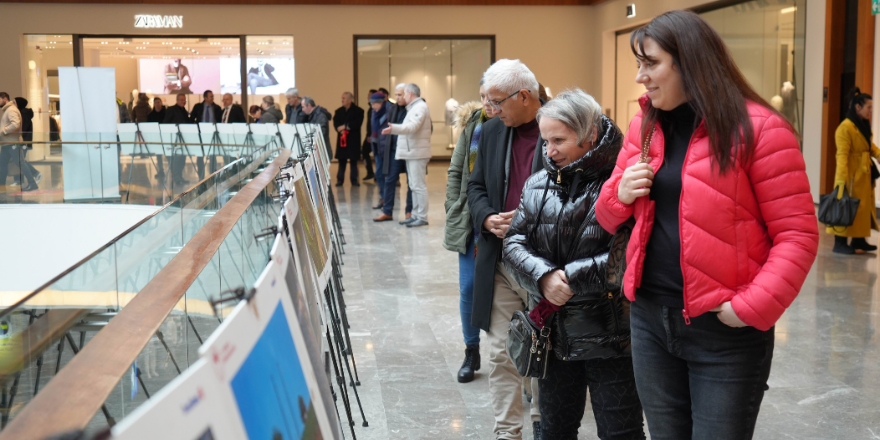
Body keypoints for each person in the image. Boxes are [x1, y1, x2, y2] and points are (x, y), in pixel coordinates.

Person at [596, 11, 819, 440]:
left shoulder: (759, 129)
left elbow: (797, 234)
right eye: (638, 64)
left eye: (650, 63)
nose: (640, 76)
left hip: (725, 331)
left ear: (689, 61)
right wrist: (619, 193)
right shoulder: (644, 126)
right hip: (649, 320)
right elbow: (608, 218)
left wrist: (748, 309)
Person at [503, 89, 645, 440]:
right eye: (545, 141)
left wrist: (567, 278)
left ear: (590, 135)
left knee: (620, 431)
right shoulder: (538, 184)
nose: (548, 151)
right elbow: (514, 243)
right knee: (554, 430)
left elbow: (628, 253)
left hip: (612, 336)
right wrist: (543, 275)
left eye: (558, 140)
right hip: (554, 334)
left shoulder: (620, 182)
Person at [466, 59, 544, 440]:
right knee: (500, 354)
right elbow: (475, 186)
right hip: (499, 260)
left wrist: (525, 220)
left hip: (543, 265)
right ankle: (507, 433)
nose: (491, 109)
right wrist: (486, 218)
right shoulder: (492, 130)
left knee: (543, 354)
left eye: (498, 101)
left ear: (524, 96)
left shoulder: (560, 131)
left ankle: (543, 425)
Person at [443, 79, 498, 381]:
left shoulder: (514, 128)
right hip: (471, 220)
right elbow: (456, 169)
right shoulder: (472, 126)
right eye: (482, 97)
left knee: (510, 291)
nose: (488, 103)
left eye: (494, 98)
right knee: (469, 288)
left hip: (502, 219)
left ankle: (519, 362)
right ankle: (471, 350)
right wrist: (453, 205)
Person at [829, 87, 880, 254]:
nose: (871, 111)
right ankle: (840, 243)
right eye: (869, 107)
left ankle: (859, 240)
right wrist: (841, 182)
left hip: (863, 174)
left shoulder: (862, 125)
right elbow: (841, 156)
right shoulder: (845, 127)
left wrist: (878, 155)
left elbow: (868, 146)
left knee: (862, 208)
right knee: (845, 206)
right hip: (851, 175)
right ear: (858, 107)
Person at [382, 83, 432, 227]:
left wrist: (393, 129)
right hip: (412, 152)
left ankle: (421, 216)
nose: (402, 97)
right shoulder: (413, 108)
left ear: (409, 93)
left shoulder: (420, 107)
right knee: (414, 185)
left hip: (417, 153)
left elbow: (412, 127)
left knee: (418, 186)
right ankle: (415, 214)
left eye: (403, 94)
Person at [373, 84, 414, 222]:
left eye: (400, 95)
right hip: (394, 151)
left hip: (409, 151)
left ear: (408, 94)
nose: (397, 97)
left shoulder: (413, 109)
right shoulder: (392, 109)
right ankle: (387, 211)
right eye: (396, 95)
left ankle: (409, 211)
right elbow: (386, 131)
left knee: (411, 182)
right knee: (390, 180)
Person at [333, 92, 365, 186]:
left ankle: (354, 180)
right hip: (342, 139)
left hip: (353, 139)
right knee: (341, 160)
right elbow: (336, 122)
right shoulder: (338, 111)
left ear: (350, 100)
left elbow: (357, 123)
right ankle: (340, 179)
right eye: (342, 98)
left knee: (353, 160)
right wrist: (339, 128)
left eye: (344, 98)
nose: (342, 100)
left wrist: (345, 126)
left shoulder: (359, 111)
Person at [164, 93, 193, 186]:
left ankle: (180, 176)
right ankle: (176, 178)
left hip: (183, 140)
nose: (183, 101)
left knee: (182, 159)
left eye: (184, 100)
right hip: (174, 140)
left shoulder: (184, 111)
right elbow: (166, 123)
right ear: (177, 100)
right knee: (176, 159)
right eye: (181, 100)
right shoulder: (171, 109)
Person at [13, 97, 41, 190]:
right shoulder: (23, 113)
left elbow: (23, 129)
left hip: (23, 142)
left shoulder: (24, 114)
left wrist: (20, 141)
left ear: (19, 103)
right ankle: (22, 181)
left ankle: (35, 174)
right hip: (23, 141)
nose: (13, 104)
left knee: (20, 161)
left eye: (14, 102)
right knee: (20, 161)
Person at [0, 92, 23, 190]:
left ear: (4, 98)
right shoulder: (7, 110)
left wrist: (4, 131)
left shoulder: (10, 110)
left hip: (11, 142)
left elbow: (15, 124)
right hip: (7, 143)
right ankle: (1, 184)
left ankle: (34, 178)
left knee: (20, 163)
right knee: (3, 164)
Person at [362, 88, 379, 181]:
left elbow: (374, 124)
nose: (368, 97)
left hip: (373, 136)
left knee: (377, 154)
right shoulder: (370, 108)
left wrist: (370, 135)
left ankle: (376, 174)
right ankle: (370, 172)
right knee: (364, 152)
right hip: (370, 135)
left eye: (370, 95)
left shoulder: (375, 109)